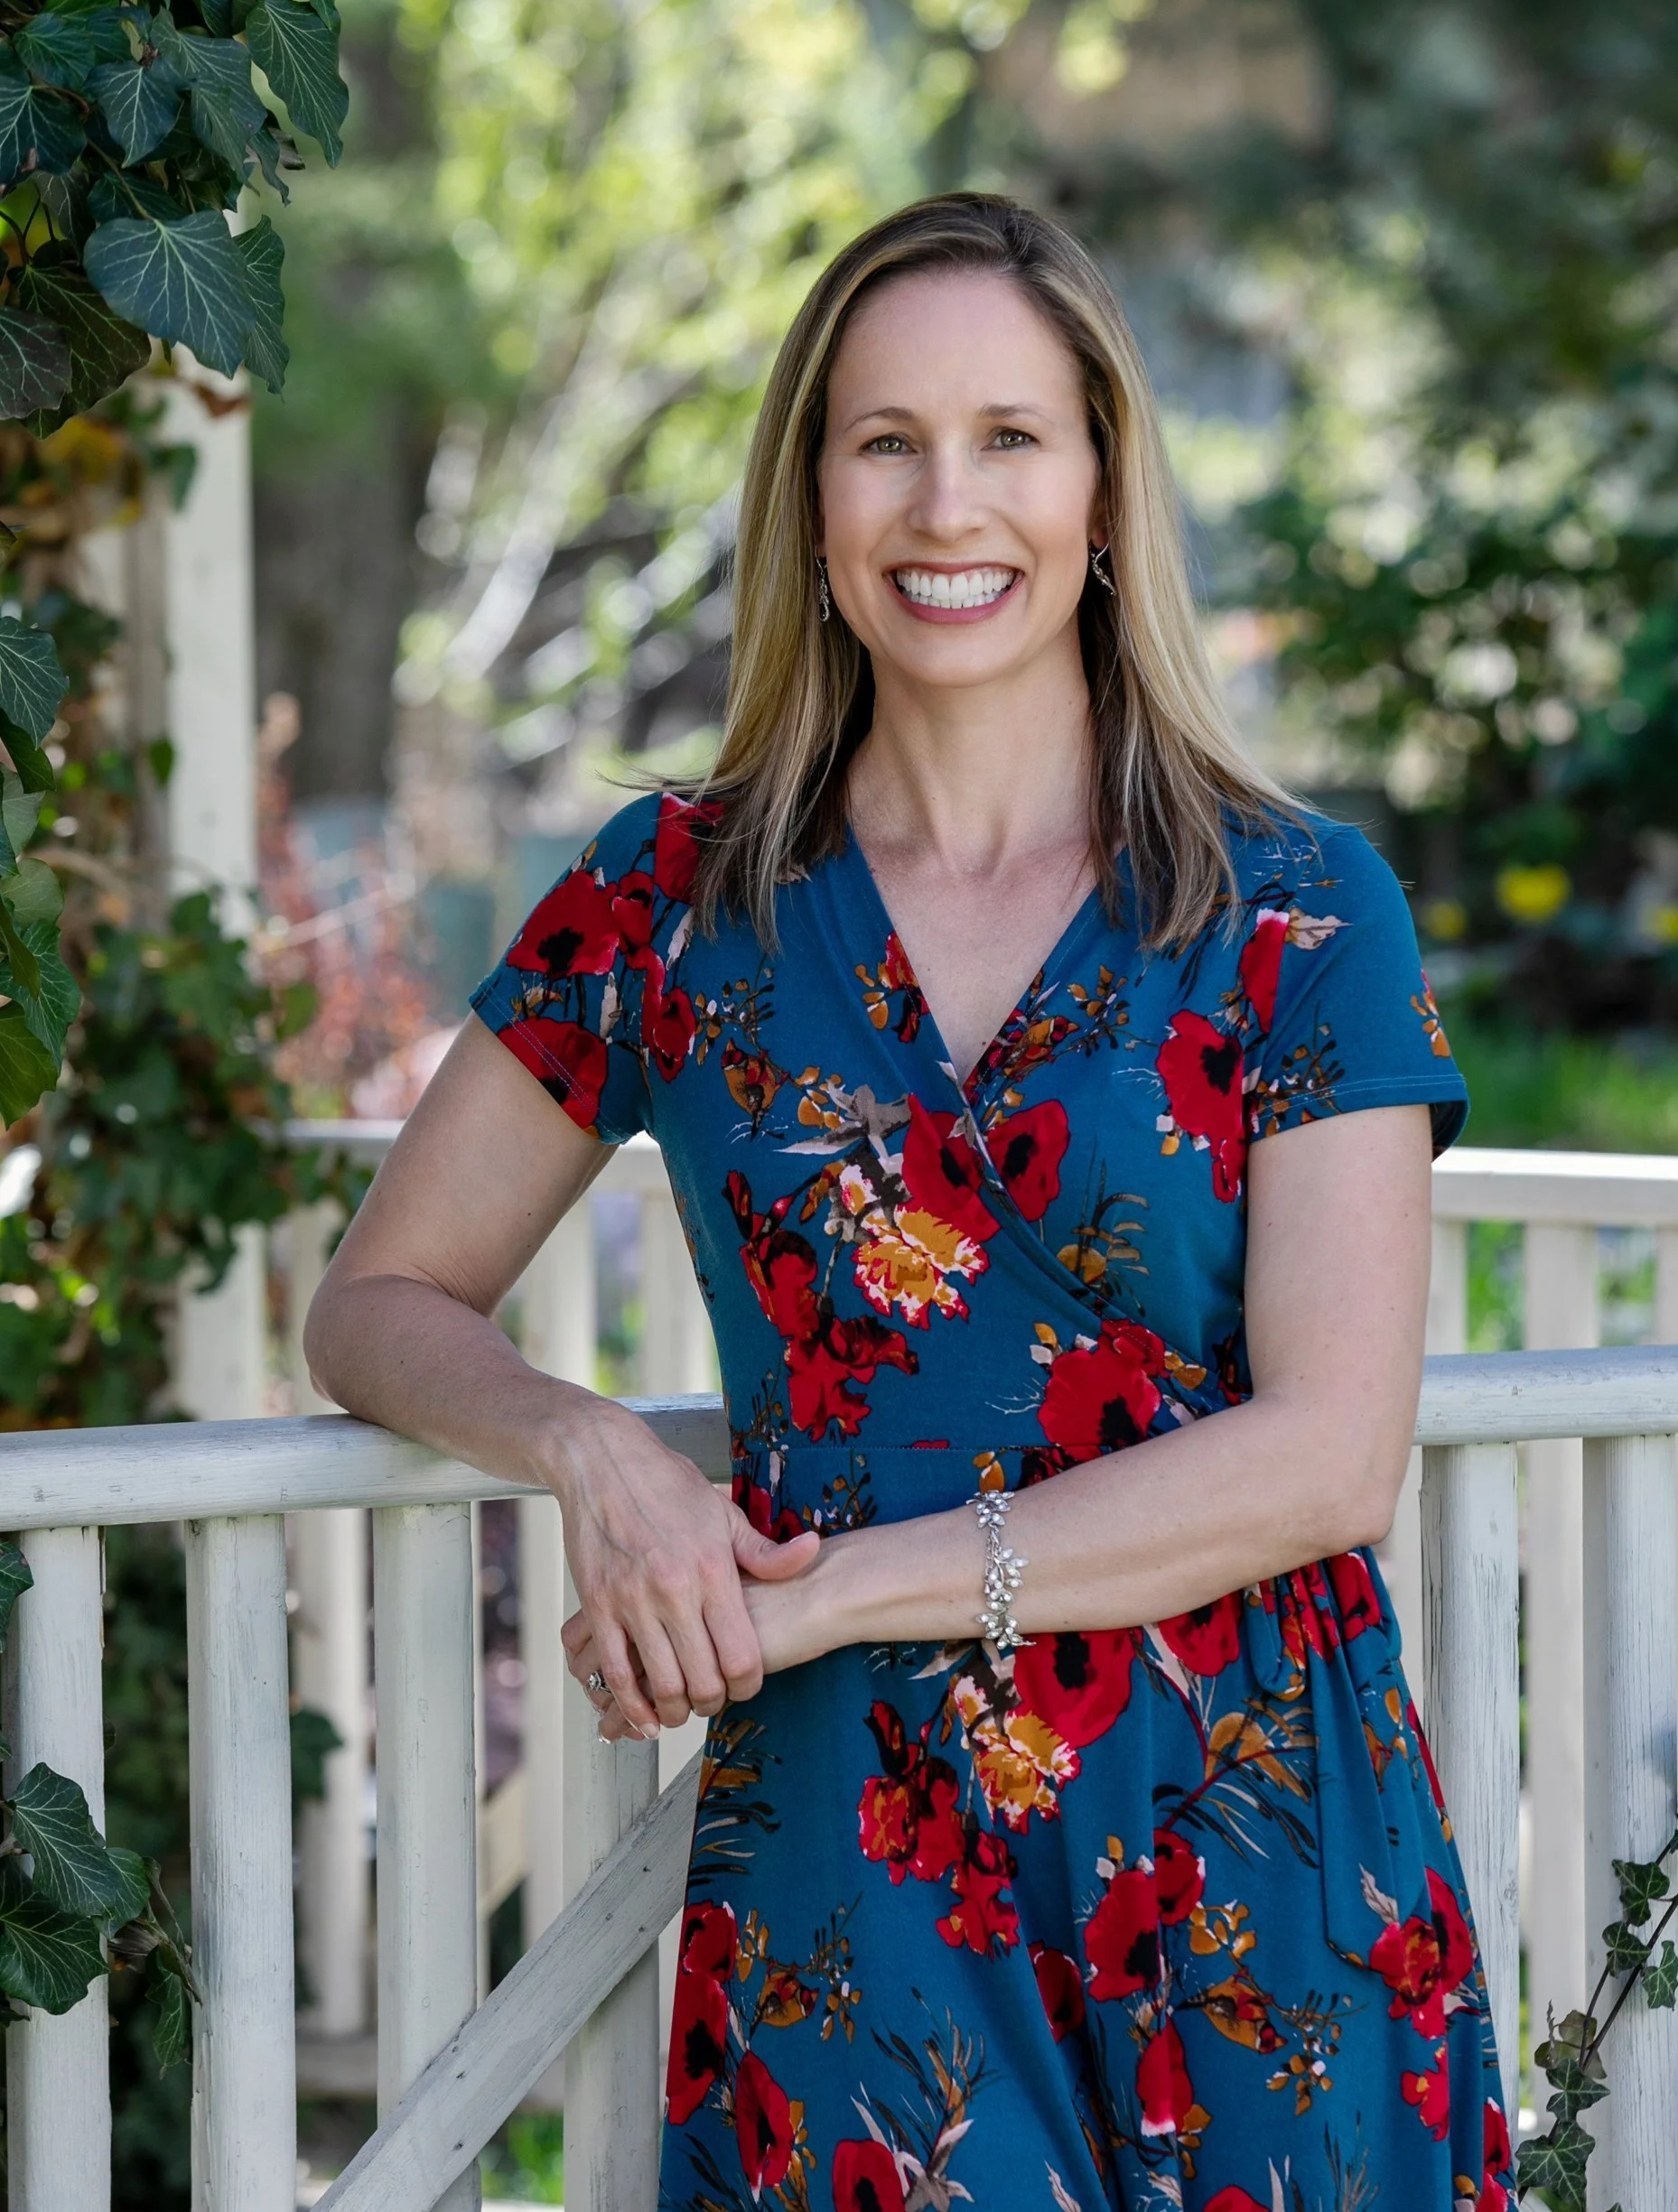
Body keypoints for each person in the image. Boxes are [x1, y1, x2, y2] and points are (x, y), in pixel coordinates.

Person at [306, 192, 1509, 2212]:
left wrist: (840, 1587)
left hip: (1254, 1855)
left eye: (1011, 438)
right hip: (854, 1871)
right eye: (884, 441)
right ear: (811, 496)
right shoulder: (671, 896)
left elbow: (1324, 1456)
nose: (947, 504)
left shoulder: (1300, 911)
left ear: (1106, 488)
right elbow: (376, 1297)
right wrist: (590, 1449)